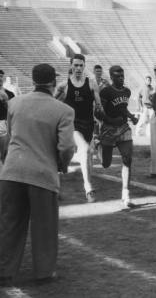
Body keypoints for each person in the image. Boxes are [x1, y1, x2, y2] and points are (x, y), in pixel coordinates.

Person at [0, 63, 75, 287]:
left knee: (10, 224)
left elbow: (10, 136)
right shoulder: (63, 110)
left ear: (33, 80)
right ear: (52, 82)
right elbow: (67, 147)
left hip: (12, 171)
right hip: (42, 173)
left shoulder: (14, 103)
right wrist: (62, 164)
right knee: (45, 226)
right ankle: (44, 272)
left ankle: (5, 272)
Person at [55, 54, 102, 203]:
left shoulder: (91, 84)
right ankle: (88, 188)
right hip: (72, 124)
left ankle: (65, 161)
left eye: (81, 65)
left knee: (87, 155)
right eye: (75, 65)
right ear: (71, 66)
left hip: (88, 124)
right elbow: (50, 102)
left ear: (84, 66)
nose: (78, 68)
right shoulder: (64, 85)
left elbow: (99, 107)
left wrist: (102, 119)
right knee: (85, 148)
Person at [95, 65, 139, 208]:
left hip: (123, 127)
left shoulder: (127, 91)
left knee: (127, 158)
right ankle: (98, 145)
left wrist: (131, 116)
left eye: (122, 75)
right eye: (118, 76)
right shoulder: (106, 91)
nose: (121, 78)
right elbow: (98, 112)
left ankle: (126, 194)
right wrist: (111, 120)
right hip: (109, 127)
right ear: (111, 77)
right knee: (105, 164)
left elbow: (122, 107)